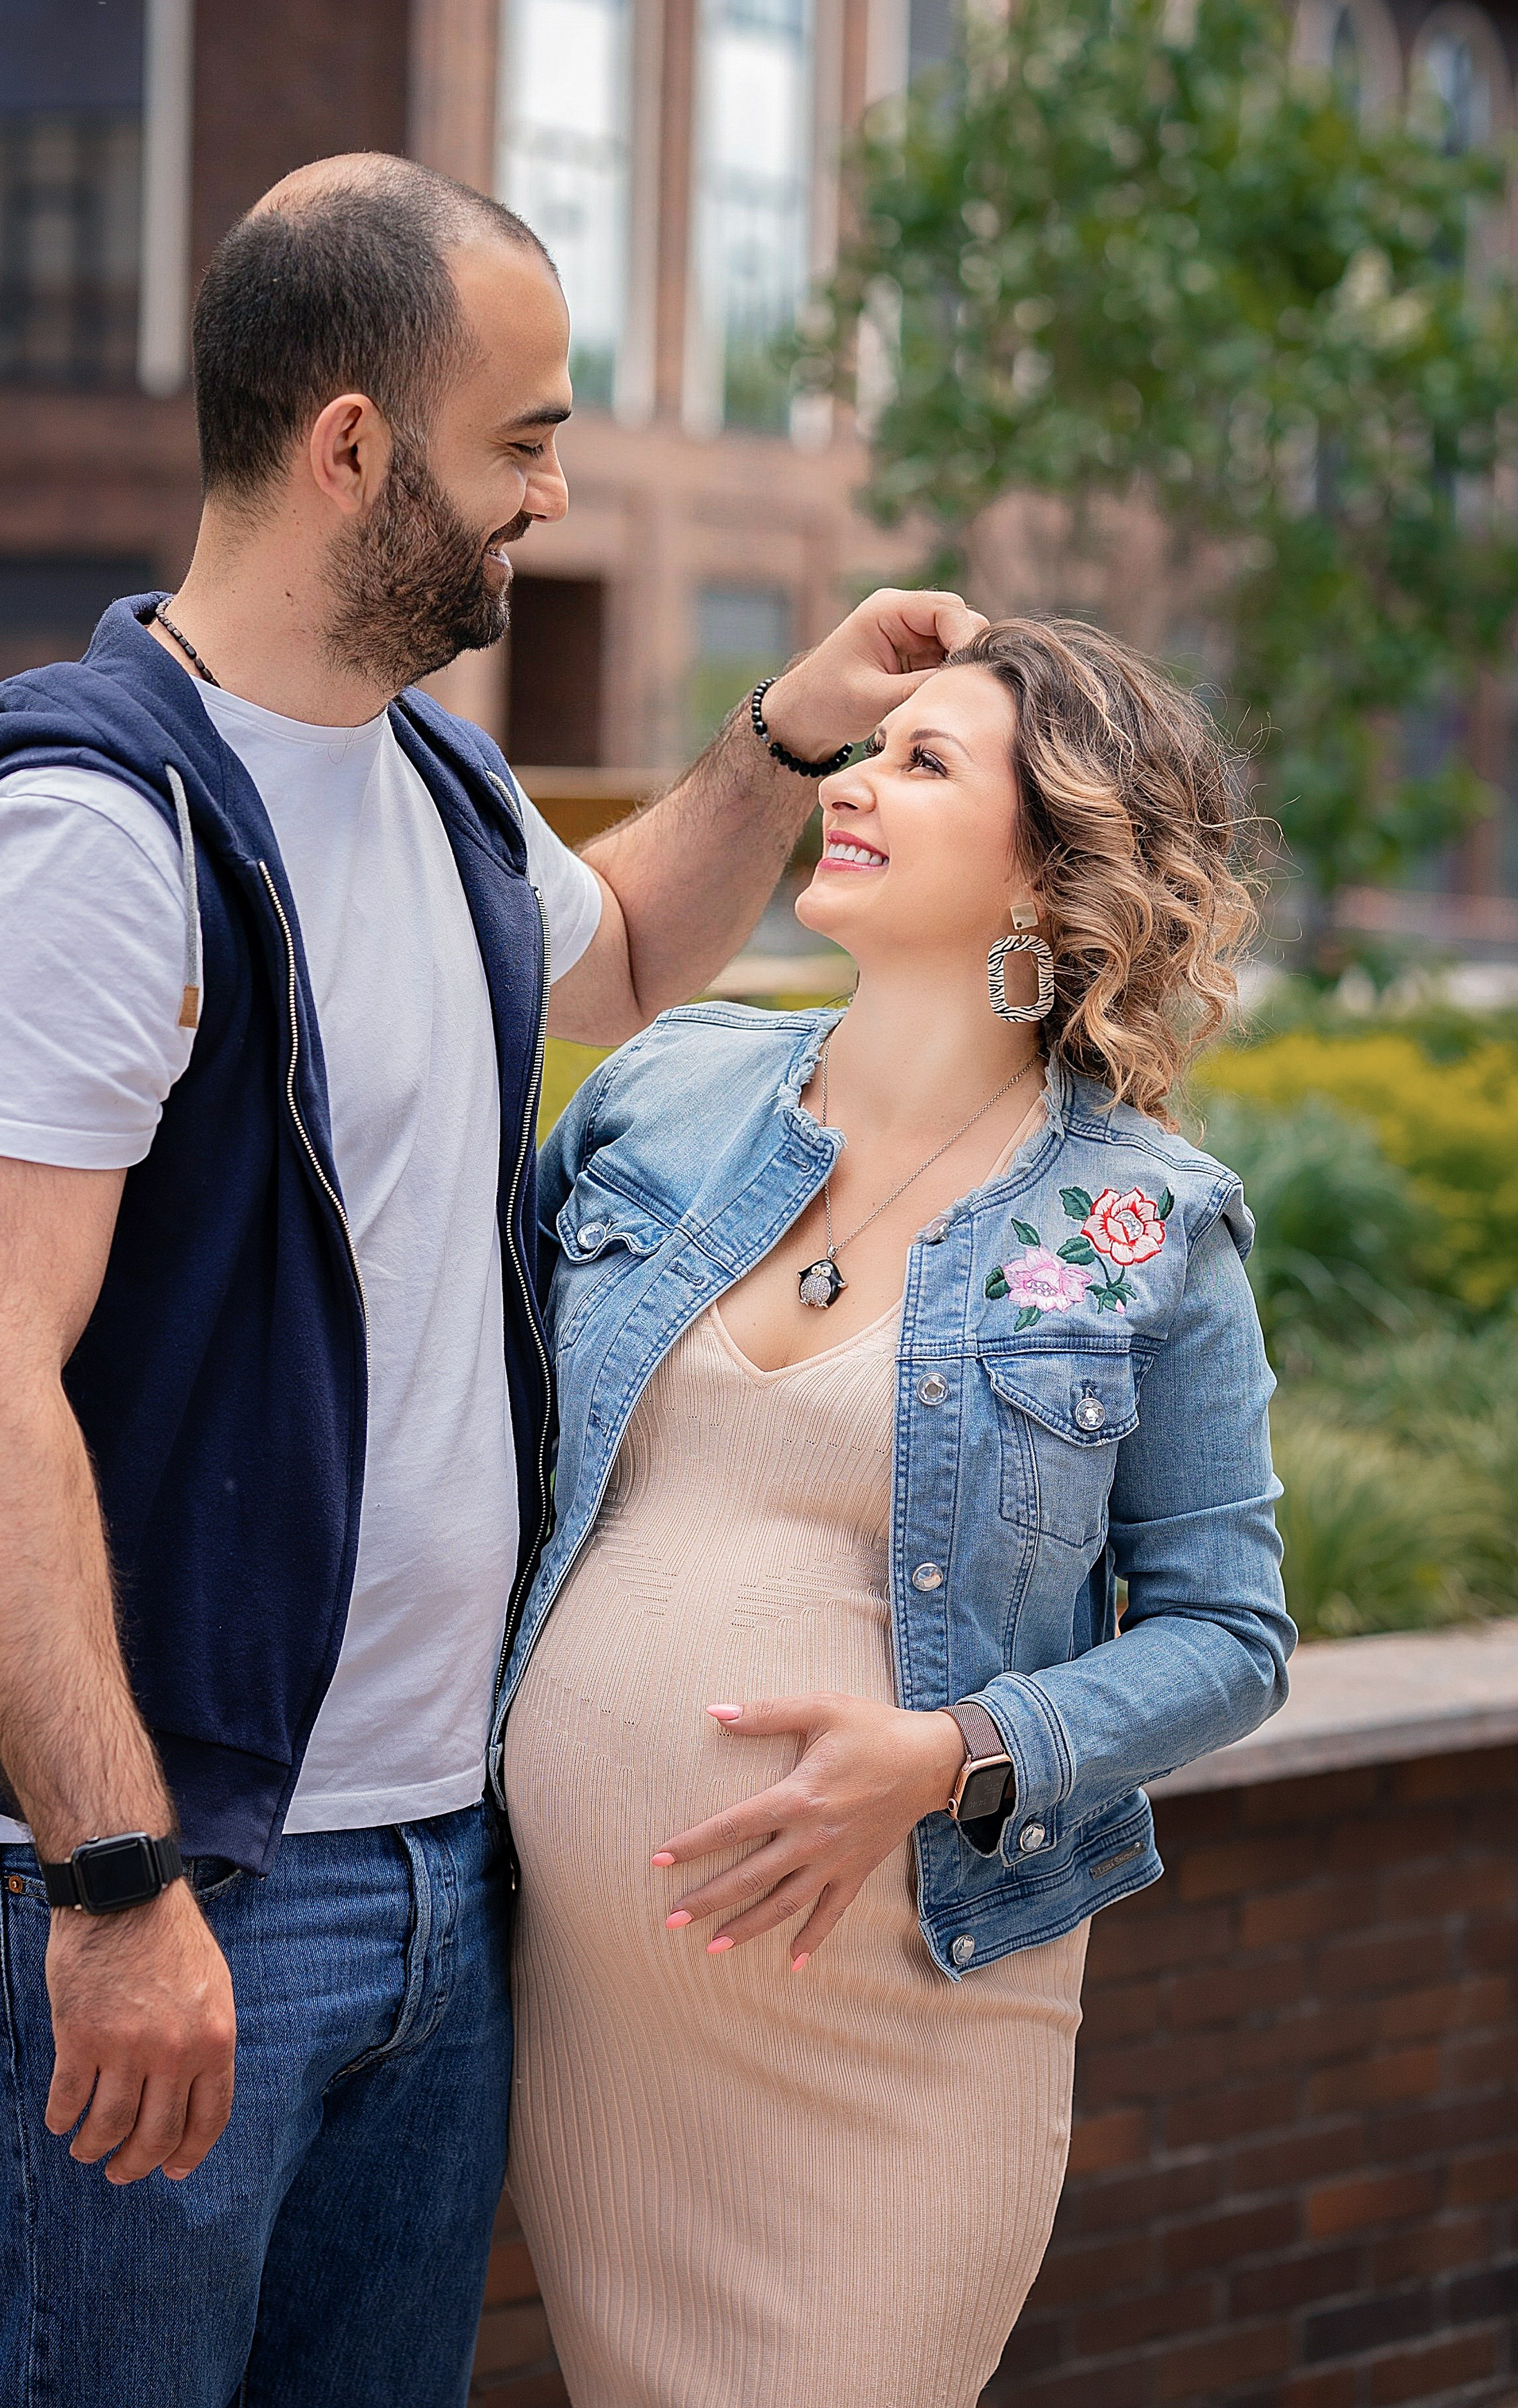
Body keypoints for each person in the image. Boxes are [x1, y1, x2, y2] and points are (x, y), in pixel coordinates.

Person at [0, 149, 985, 2408]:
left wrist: (788, 730)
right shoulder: (95, 842)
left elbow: (634, 953)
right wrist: (109, 1886)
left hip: (430, 1883)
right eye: (526, 441)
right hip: (166, 1900)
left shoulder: (438, 794)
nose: (553, 497)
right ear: (354, 446)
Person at [498, 617, 1297, 2408]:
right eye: (868, 751)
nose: (853, 782)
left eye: (925, 762)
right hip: (598, 2025)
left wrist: (948, 1754)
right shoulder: (666, 1090)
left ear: (1055, 856)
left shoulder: (1145, 1224)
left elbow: (1233, 1637)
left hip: (907, 2023)